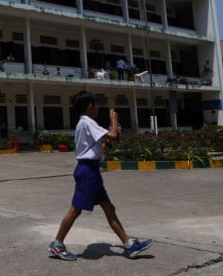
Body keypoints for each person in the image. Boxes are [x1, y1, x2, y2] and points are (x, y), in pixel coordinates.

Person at [48, 91, 152, 261]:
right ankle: (57, 243)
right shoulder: (87, 122)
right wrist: (114, 121)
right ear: (90, 106)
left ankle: (128, 244)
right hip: (87, 171)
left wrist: (108, 142)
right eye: (96, 105)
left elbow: (100, 145)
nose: (97, 109)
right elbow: (111, 135)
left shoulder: (85, 123)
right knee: (76, 209)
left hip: (92, 170)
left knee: (108, 207)